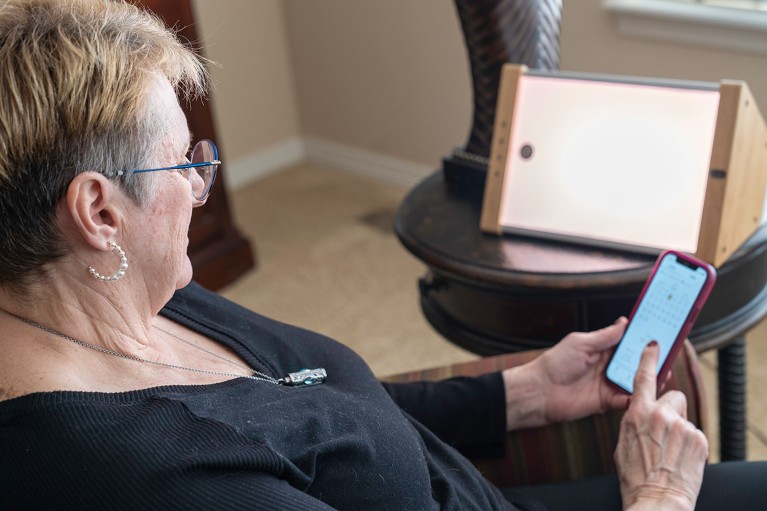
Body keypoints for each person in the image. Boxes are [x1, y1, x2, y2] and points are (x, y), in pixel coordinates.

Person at [0, 1, 763, 509]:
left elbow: (314, 404)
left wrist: (527, 390)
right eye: (185, 161)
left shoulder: (120, 288)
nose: (203, 184)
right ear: (100, 211)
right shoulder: (148, 478)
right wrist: (657, 495)